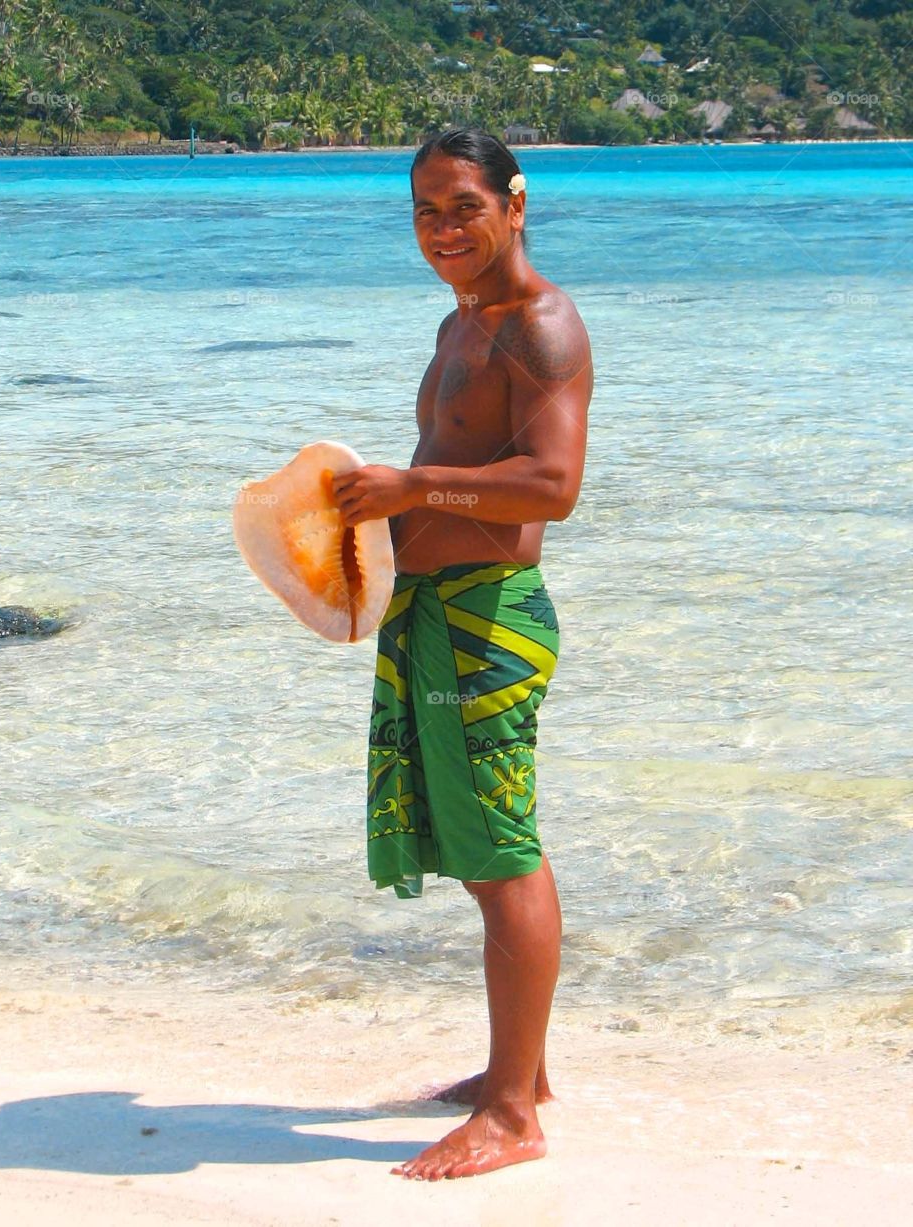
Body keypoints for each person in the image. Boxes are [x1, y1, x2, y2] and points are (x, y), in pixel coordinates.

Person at [331, 127, 593, 1181]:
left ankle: (514, 1119)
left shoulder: (541, 325)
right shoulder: (461, 324)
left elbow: (553, 487)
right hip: (435, 611)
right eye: (425, 212)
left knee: (503, 851)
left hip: (487, 618)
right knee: (483, 859)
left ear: (515, 204)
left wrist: (415, 491)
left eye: (463, 208)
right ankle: (517, 1075)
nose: (443, 230)